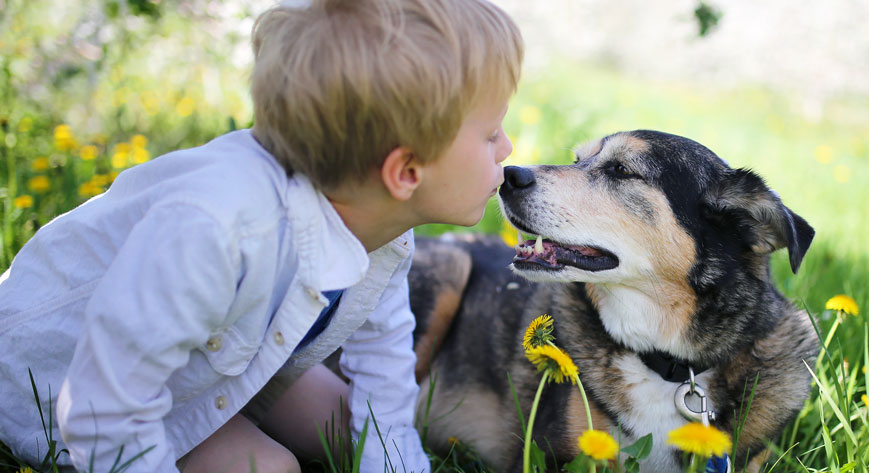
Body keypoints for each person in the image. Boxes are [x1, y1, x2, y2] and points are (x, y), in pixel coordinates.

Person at [0, 0, 522, 471]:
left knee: (355, 432)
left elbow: (383, 368)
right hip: (52, 383)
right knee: (268, 469)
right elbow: (101, 407)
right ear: (405, 172)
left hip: (223, 359)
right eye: (489, 133)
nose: (507, 147)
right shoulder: (217, 227)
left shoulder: (382, 226)